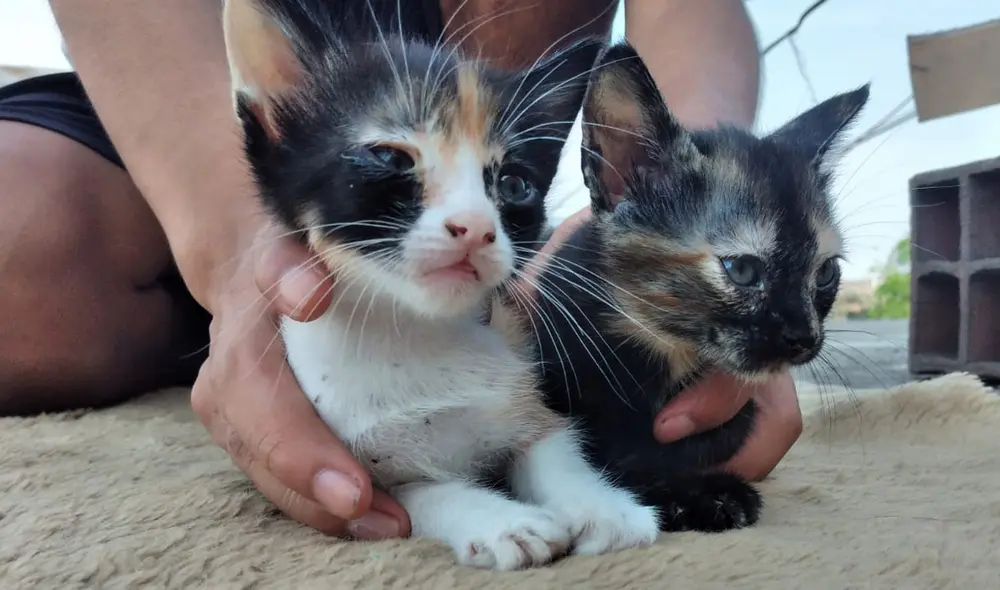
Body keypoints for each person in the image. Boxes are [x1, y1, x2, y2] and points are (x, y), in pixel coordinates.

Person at [0, 0, 802, 540]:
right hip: (200, 80)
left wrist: (687, 207)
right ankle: (209, 338)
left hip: (500, 115)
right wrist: (237, 251)